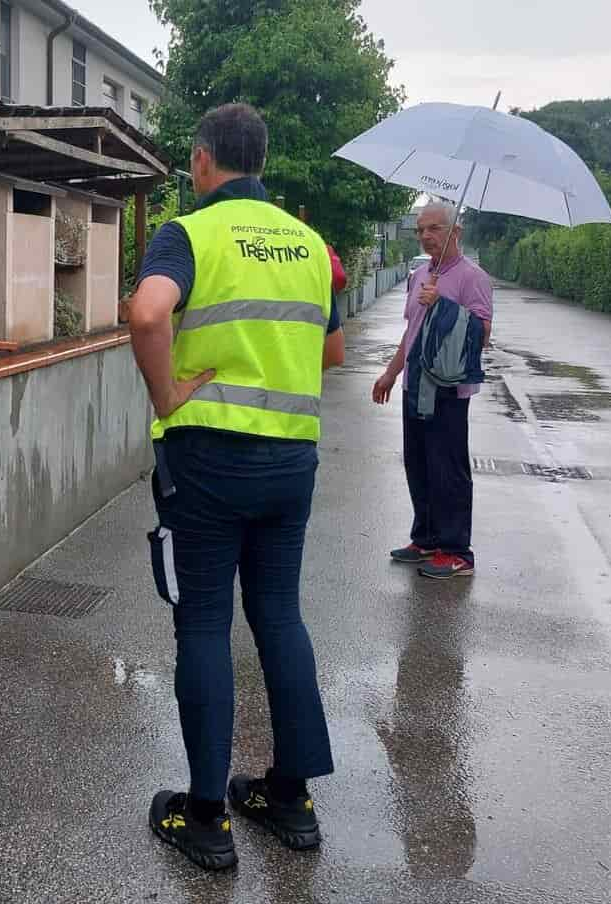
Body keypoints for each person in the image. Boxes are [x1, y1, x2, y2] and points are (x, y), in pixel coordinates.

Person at [128, 103, 345, 871]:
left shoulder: (189, 233)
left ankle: (208, 817)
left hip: (208, 459)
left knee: (204, 623)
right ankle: (288, 797)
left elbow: (148, 313)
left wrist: (166, 396)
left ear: (200, 162)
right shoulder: (312, 245)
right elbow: (335, 352)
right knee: (280, 615)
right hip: (292, 459)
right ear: (265, 160)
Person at [372, 201, 493, 579]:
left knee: (448, 468)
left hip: (449, 388)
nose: (425, 236)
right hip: (415, 385)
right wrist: (391, 373)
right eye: (420, 229)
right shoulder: (419, 273)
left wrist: (442, 305)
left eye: (434, 229)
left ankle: (457, 550)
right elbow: (411, 333)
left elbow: (482, 335)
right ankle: (425, 538)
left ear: (455, 231)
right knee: (418, 464)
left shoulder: (473, 278)